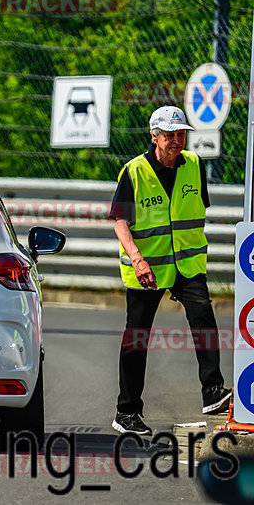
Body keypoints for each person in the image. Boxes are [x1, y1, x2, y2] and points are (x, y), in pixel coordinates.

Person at [109, 105, 232, 435]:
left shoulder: (194, 165)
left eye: (181, 134)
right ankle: (127, 412)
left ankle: (213, 392)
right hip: (148, 268)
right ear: (154, 136)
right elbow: (119, 220)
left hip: (187, 264)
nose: (177, 141)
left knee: (203, 314)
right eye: (170, 135)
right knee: (137, 337)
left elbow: (193, 212)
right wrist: (137, 258)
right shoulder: (133, 172)